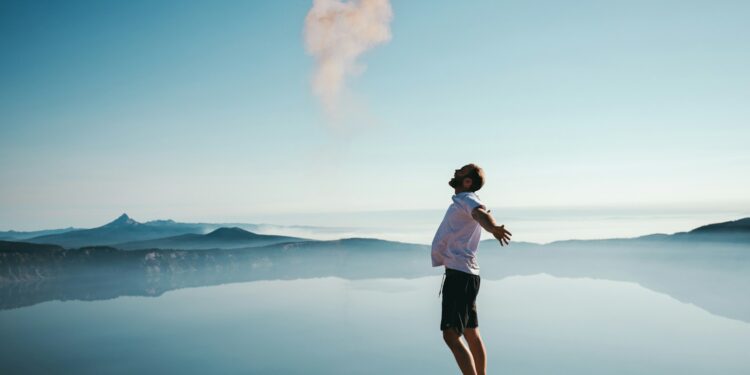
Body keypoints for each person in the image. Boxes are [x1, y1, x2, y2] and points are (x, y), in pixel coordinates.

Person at [431, 163, 512, 375]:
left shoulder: (468, 199)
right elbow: (479, 214)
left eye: (461, 170)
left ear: (467, 181)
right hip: (466, 274)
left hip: (459, 275)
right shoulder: (463, 201)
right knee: (470, 332)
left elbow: (480, 214)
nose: (456, 170)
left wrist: (493, 227)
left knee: (450, 334)